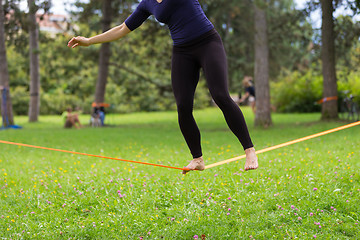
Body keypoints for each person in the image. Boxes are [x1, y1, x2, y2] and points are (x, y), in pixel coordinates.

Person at [67, 0, 258, 174]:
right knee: (183, 106)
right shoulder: (147, 4)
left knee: (221, 96)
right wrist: (89, 41)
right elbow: (122, 28)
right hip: (182, 51)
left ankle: (249, 151)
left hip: (207, 42)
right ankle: (197, 159)